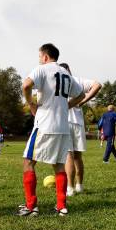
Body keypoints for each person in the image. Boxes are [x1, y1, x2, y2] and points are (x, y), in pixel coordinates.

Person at [17, 43, 84, 217]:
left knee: (28, 162)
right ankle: (61, 206)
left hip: (44, 125)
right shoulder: (67, 74)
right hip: (62, 127)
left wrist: (30, 103)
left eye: (40, 56)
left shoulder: (42, 69)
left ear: (45, 57)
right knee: (59, 165)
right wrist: (67, 105)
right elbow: (82, 95)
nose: (39, 59)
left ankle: (31, 206)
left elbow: (25, 86)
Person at [59, 63, 101, 197]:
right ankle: (79, 186)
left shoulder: (57, 83)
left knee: (68, 156)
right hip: (78, 124)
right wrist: (83, 102)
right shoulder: (78, 81)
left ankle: (70, 189)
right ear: (69, 70)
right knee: (78, 157)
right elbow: (97, 85)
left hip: (64, 122)